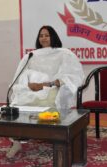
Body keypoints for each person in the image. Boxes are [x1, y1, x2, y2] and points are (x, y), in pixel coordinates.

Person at [6, 25, 85, 158]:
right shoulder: (31, 56)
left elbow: (72, 76)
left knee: (48, 103)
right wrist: (29, 85)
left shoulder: (64, 54)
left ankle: (56, 141)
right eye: (41, 35)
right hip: (31, 89)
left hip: (52, 89)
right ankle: (17, 141)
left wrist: (45, 85)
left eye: (47, 35)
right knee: (16, 106)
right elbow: (19, 77)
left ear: (53, 36)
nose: (43, 38)